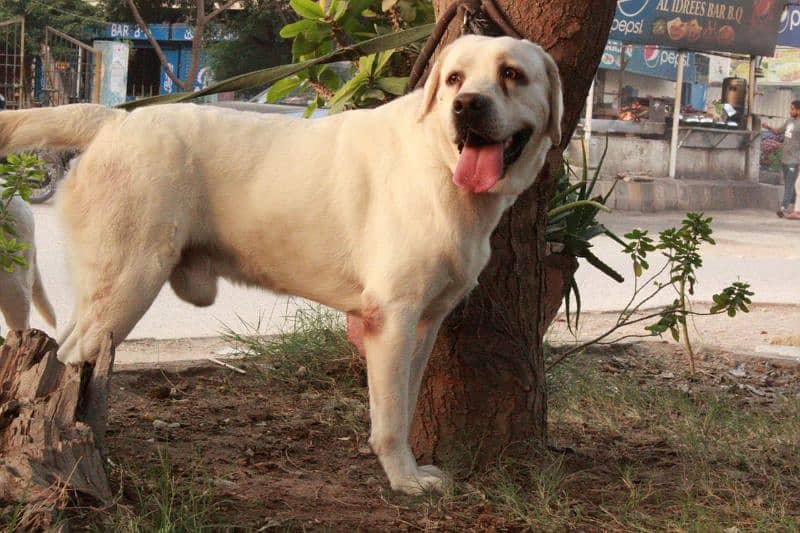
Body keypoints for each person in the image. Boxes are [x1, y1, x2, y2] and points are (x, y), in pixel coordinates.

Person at [765, 100, 800, 217]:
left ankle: (783, 208)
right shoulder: (789, 121)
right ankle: (795, 206)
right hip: (785, 159)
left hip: (794, 160)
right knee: (793, 185)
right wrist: (768, 127)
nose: (790, 111)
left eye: (792, 109)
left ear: (798, 111)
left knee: (789, 185)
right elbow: (777, 131)